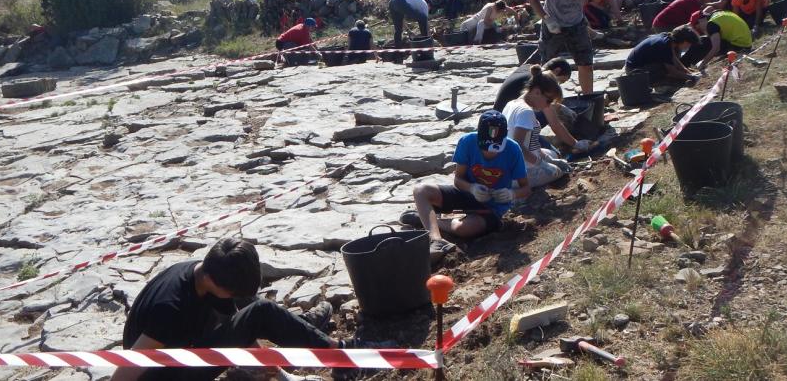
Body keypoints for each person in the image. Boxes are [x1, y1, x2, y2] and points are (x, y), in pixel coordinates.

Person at [112, 238, 383, 381]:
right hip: (166, 375)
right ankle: (341, 358)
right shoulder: (169, 309)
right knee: (261, 311)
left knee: (251, 305)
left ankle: (312, 336)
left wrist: (264, 361)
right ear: (214, 280)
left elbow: (234, 315)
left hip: (187, 347)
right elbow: (127, 370)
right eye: (231, 290)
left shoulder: (203, 273)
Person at [402, 111, 530, 263]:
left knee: (463, 229)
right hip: (466, 193)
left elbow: (526, 188)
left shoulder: (513, 149)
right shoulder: (467, 141)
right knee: (421, 190)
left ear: (505, 136)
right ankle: (436, 240)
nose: (489, 153)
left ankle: (429, 220)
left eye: (495, 148)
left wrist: (511, 194)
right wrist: (472, 188)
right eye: (485, 147)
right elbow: (458, 180)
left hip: (493, 208)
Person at [528, 0, 601, 95]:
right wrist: (546, 19)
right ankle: (545, 104)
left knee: (586, 64)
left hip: (576, 22)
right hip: (554, 24)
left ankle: (589, 99)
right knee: (546, 70)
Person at [492, 58, 586, 152]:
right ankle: (539, 139)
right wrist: (576, 144)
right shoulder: (539, 86)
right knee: (554, 152)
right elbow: (555, 124)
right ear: (557, 71)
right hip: (507, 132)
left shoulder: (532, 73)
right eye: (560, 82)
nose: (558, 85)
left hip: (502, 120)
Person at [501, 66, 573, 188]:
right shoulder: (526, 112)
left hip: (506, 165)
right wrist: (542, 164)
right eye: (549, 100)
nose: (548, 104)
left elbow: (531, 142)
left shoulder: (512, 103)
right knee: (560, 171)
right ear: (537, 92)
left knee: (553, 155)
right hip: (516, 174)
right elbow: (517, 146)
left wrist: (549, 160)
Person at [624, 25, 701, 86]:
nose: (688, 47)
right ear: (684, 41)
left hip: (641, 65)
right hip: (635, 72)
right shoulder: (664, 46)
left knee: (672, 64)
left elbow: (674, 58)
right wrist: (692, 78)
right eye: (689, 44)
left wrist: (687, 72)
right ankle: (657, 83)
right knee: (665, 69)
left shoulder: (668, 37)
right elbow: (672, 71)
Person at [683, 10, 753, 70]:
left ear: (700, 21)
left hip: (740, 46)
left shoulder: (711, 24)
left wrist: (703, 63)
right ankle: (685, 62)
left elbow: (716, 48)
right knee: (706, 40)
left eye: (698, 28)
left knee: (703, 42)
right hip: (745, 43)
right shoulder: (716, 15)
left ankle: (685, 64)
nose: (700, 30)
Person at [651, 0, 715, 32]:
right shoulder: (693, 2)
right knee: (685, 35)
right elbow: (696, 22)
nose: (710, 0)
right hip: (663, 25)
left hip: (662, 22)